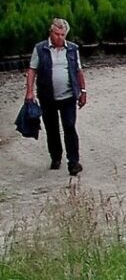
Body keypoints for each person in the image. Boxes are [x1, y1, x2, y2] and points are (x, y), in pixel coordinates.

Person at [24, 18, 88, 176]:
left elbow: (78, 70)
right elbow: (32, 70)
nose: (60, 37)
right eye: (57, 34)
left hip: (68, 96)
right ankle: (56, 156)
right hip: (47, 97)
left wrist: (83, 91)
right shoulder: (40, 49)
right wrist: (30, 91)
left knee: (69, 127)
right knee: (52, 128)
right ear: (51, 32)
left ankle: (73, 162)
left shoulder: (72, 49)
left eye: (63, 35)